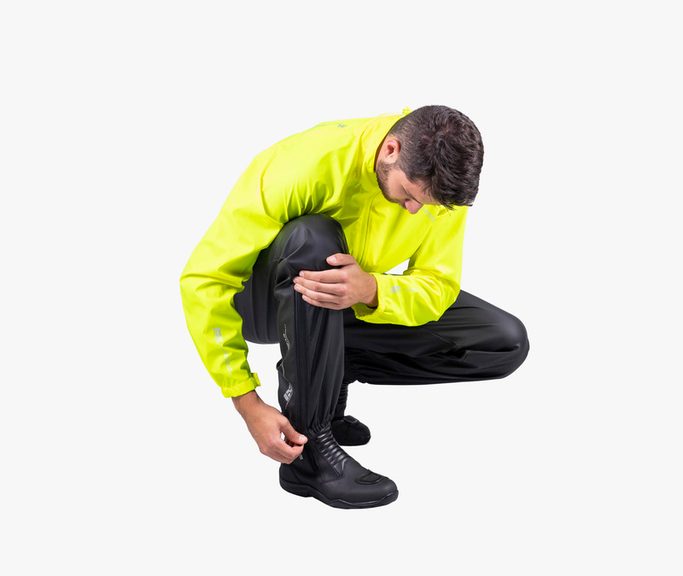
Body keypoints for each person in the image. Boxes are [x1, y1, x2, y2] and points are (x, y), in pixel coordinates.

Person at [179, 104, 530, 510]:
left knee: (503, 341)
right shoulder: (306, 165)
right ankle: (309, 455)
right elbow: (205, 280)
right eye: (409, 196)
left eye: (427, 205)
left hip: (347, 297)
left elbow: (439, 284)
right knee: (313, 238)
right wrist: (246, 401)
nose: (414, 211)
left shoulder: (436, 189)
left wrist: (372, 290)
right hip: (264, 302)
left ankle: (329, 373)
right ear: (391, 150)